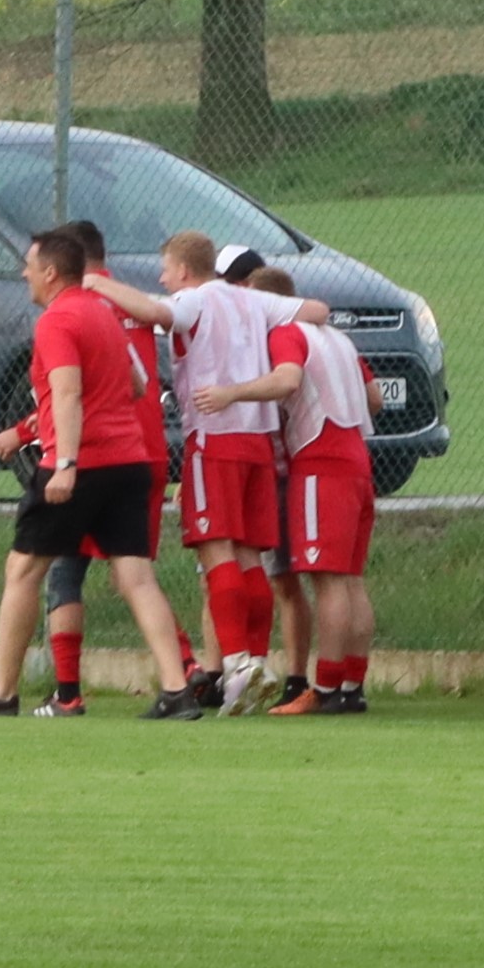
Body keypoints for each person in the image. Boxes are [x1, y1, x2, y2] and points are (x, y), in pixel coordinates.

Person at [0, 225, 200, 720]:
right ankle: (177, 689)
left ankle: (2, 693)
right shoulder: (103, 313)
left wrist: (65, 464)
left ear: (50, 272)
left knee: (23, 570)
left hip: (81, 463)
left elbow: (67, 393)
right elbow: (136, 385)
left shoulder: (57, 320)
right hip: (129, 460)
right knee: (136, 577)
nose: (23, 273)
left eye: (29, 265)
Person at [98, 231, 300, 714]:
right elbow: (314, 310)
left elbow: (155, 311)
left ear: (184, 270)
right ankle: (254, 661)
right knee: (250, 556)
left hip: (215, 436)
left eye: (166, 269)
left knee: (216, 550)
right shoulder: (252, 300)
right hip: (258, 438)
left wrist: (95, 283)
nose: (163, 278)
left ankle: (237, 665)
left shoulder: (195, 299)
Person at [257, 257, 380, 714]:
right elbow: (375, 399)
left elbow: (287, 380)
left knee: (327, 582)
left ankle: (325, 688)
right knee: (350, 580)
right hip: (357, 460)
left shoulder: (286, 333)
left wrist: (234, 393)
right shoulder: (339, 339)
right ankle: (352, 685)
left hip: (318, 462)